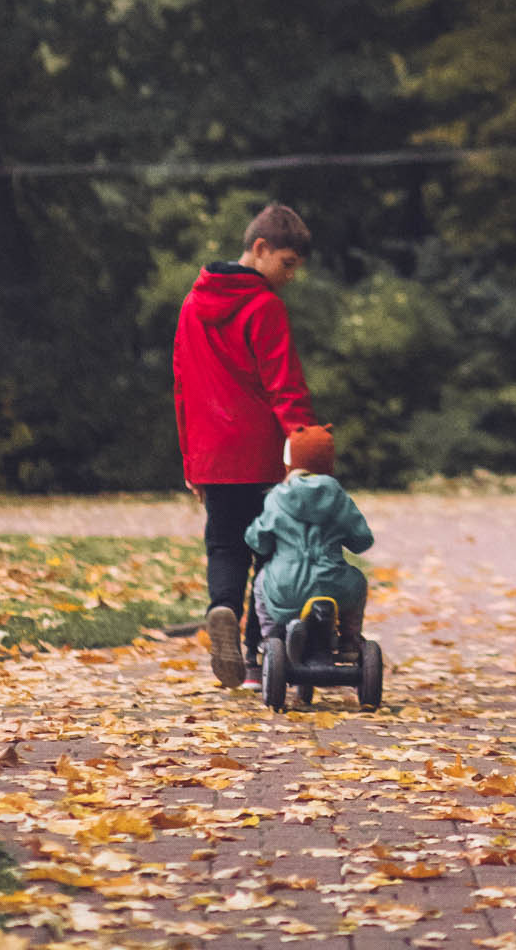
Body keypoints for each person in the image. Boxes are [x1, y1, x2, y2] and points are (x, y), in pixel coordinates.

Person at [172, 201, 315, 691]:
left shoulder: (193, 305)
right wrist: (304, 448)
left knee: (224, 544)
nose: (291, 276)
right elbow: (284, 386)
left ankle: (222, 610)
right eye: (288, 263)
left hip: (211, 453)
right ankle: (256, 659)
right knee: (271, 553)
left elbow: (183, 385)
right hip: (260, 452)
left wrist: (191, 460)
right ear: (260, 249)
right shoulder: (264, 307)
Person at [246, 423, 374, 694]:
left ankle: (272, 637)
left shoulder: (277, 498)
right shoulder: (337, 496)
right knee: (359, 581)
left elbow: (257, 540)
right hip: (335, 585)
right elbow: (362, 541)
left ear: (289, 463)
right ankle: (349, 641)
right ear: (329, 464)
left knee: (259, 584)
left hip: (286, 587)